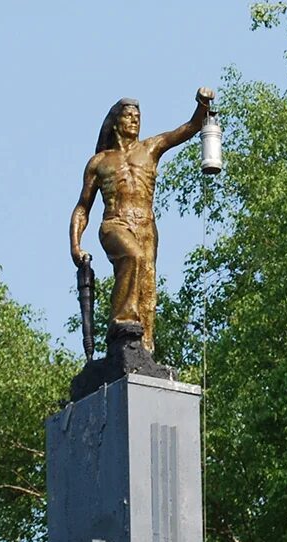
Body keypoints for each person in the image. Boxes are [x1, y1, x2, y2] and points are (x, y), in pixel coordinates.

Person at [70, 87, 215, 353]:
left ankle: (143, 349)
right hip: (116, 223)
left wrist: (202, 104)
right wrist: (75, 245)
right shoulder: (100, 162)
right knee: (132, 257)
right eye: (128, 116)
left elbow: (189, 127)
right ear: (115, 123)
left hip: (146, 226)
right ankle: (121, 322)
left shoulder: (150, 148)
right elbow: (83, 207)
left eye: (138, 116)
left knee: (147, 290)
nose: (135, 120)